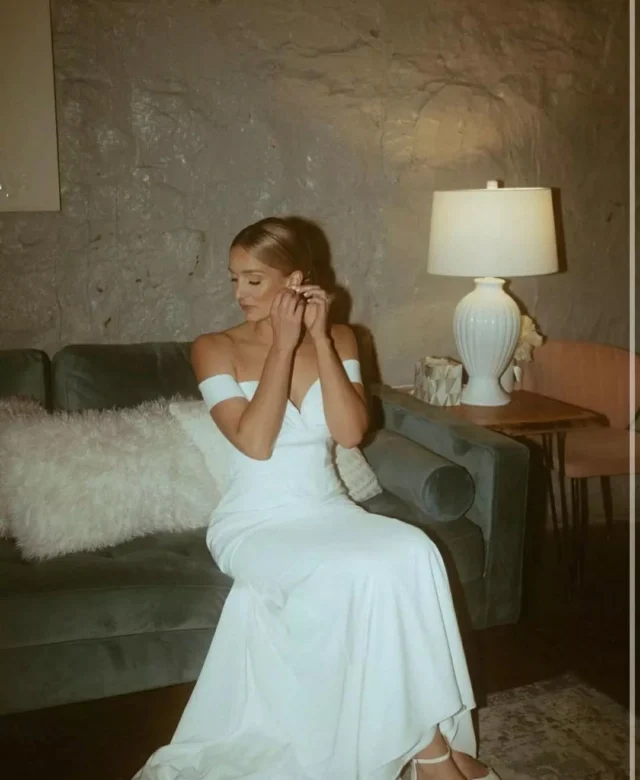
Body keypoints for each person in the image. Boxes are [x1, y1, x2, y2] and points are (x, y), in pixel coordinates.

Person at [134, 217, 500, 780]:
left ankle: (422, 748)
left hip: (328, 509)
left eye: (254, 280)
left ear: (294, 279)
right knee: (358, 576)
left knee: (412, 552)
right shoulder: (213, 348)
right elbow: (255, 442)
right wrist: (282, 348)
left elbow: (351, 431)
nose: (240, 294)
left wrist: (321, 340)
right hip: (255, 522)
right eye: (235, 280)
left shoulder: (344, 339)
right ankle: (430, 756)